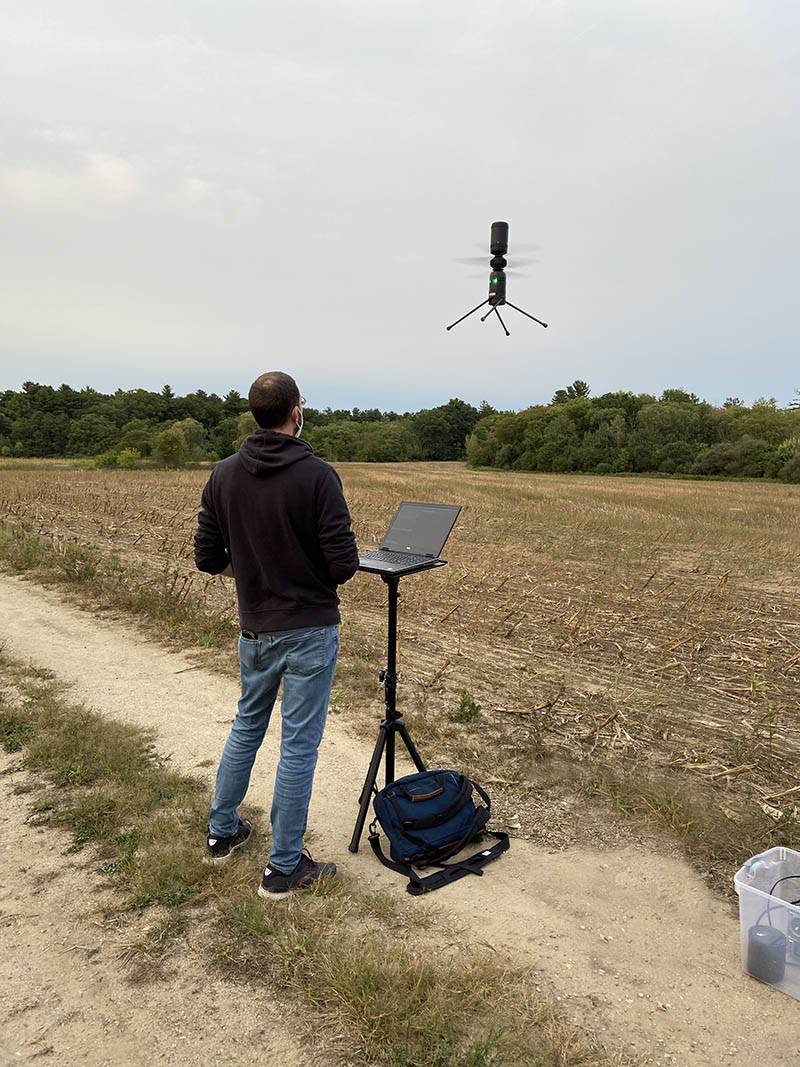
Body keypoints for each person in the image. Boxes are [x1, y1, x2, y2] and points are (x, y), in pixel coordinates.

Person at [194, 371, 359, 900]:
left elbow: (207, 558)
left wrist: (256, 570)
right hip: (311, 628)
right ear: (295, 412)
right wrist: (299, 570)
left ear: (255, 414)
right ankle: (284, 868)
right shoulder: (318, 475)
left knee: (247, 725)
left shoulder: (222, 474)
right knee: (298, 745)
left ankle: (222, 834)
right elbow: (342, 566)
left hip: (256, 628)